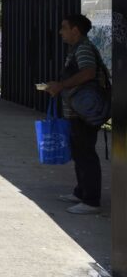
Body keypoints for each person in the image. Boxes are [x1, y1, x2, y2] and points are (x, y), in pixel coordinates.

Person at [45, 14, 104, 215]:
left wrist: (61, 85)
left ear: (75, 30)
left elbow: (88, 72)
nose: (61, 32)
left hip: (84, 114)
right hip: (77, 112)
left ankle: (91, 200)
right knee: (79, 152)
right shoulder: (76, 49)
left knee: (86, 154)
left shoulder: (84, 48)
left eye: (64, 28)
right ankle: (81, 192)